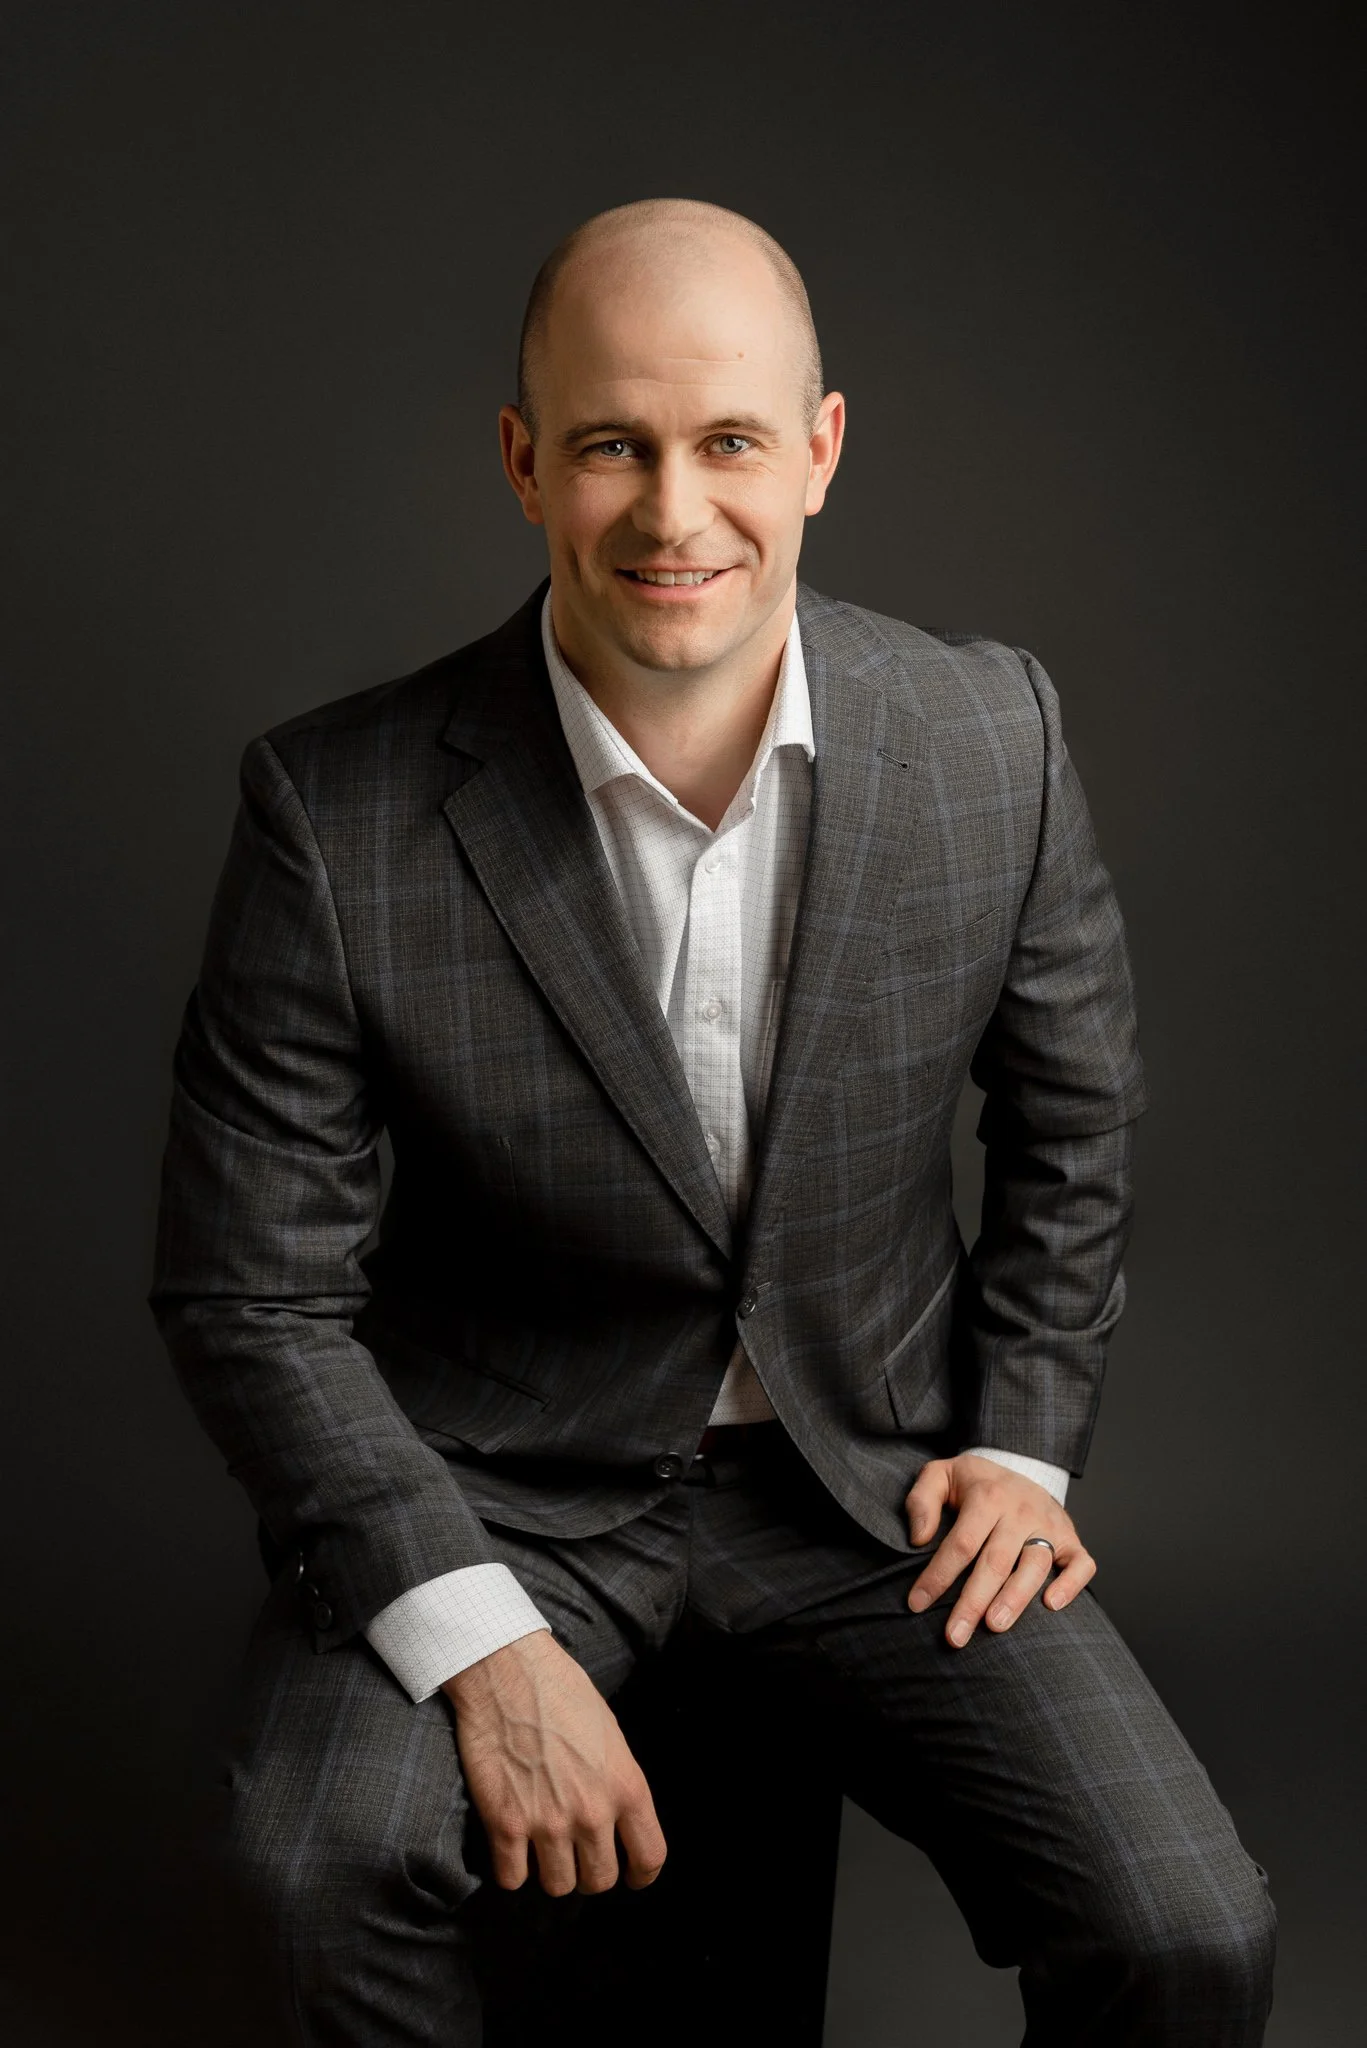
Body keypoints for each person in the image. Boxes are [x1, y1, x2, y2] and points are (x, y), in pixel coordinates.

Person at [150, 197, 1276, 2044]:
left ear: (819, 451)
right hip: (496, 1487)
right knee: (301, 1875)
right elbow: (247, 1294)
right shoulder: (332, 811)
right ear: (525, 464)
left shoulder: (993, 737)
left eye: (730, 441)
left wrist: (1027, 1446)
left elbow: (1073, 1131)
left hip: (873, 1495)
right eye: (612, 446)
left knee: (1187, 1932)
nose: (676, 515)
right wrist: (476, 1628)